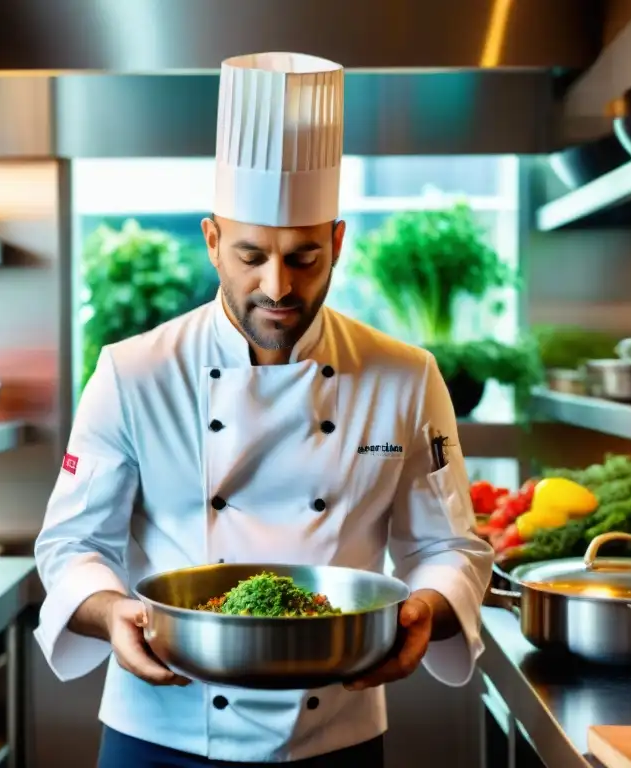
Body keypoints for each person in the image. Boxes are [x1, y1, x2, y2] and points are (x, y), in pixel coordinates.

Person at [34, 51, 495, 768]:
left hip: (337, 729)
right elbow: (72, 547)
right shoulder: (132, 371)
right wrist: (112, 613)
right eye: (251, 255)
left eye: (304, 257)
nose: (277, 285)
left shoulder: (405, 377)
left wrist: (422, 612)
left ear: (338, 242)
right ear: (213, 241)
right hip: (163, 726)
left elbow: (449, 547)